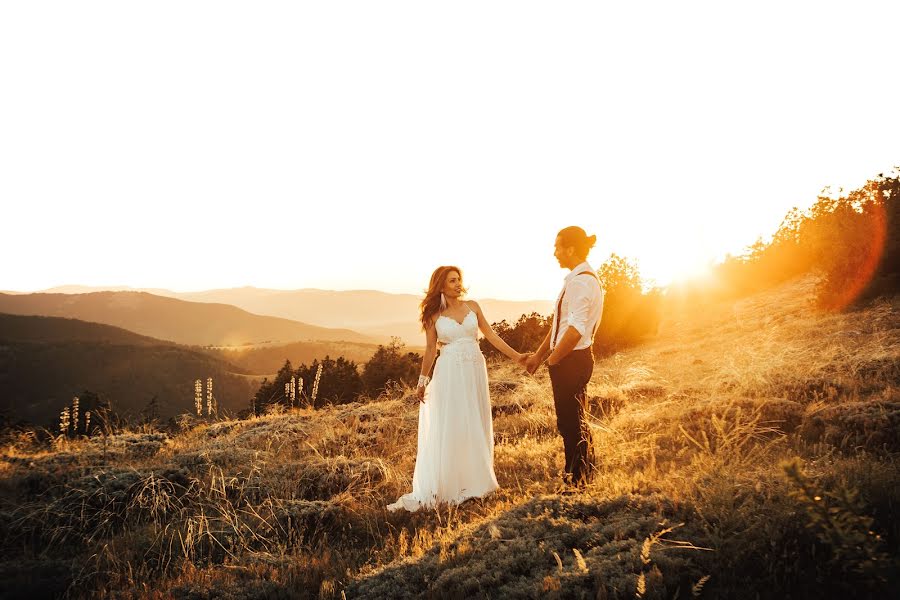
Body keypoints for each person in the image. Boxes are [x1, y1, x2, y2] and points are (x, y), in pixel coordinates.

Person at [388, 266, 526, 512]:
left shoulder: (473, 306)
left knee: (474, 420)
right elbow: (431, 349)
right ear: (441, 285)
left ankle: (476, 482)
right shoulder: (433, 315)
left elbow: (492, 336)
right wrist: (422, 381)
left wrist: (519, 357)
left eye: (459, 279)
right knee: (453, 423)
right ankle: (452, 485)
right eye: (452, 280)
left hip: (474, 369)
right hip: (450, 372)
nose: (457, 283)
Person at [524, 227, 604, 488]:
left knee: (570, 423)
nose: (555, 252)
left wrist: (554, 360)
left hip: (572, 360)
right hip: (573, 358)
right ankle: (581, 475)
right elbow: (561, 324)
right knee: (574, 420)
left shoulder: (581, 281)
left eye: (558, 246)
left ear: (571, 249)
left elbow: (576, 328)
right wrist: (538, 356)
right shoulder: (578, 279)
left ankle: (576, 481)